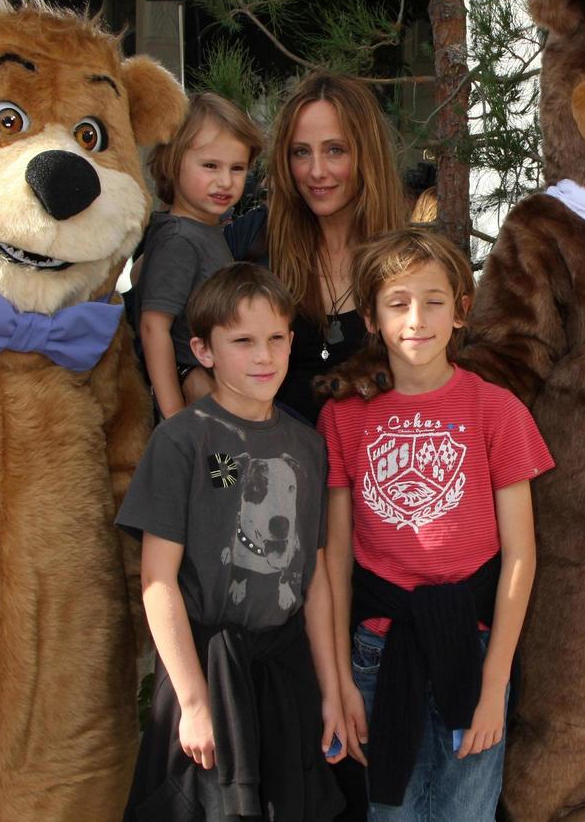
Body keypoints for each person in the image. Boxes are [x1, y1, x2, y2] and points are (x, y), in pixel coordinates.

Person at [317, 229, 554, 820]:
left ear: (461, 312)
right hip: (378, 646)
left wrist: (495, 681)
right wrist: (342, 680)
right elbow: (336, 556)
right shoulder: (344, 417)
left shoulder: (495, 411)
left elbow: (521, 553)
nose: (416, 318)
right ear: (371, 317)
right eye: (397, 303)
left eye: (434, 301)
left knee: (465, 812)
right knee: (390, 811)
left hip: (470, 646)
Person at [118, 263, 347, 821]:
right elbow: (157, 581)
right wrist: (194, 702)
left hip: (284, 671)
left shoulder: (306, 445)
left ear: (293, 342)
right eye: (242, 341)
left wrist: (330, 690)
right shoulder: (183, 441)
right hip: (207, 670)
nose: (263, 356)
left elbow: (312, 577)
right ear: (204, 350)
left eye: (275, 339)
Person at [227, 72, 407, 426]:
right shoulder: (252, 241)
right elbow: (163, 304)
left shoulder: (408, 262)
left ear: (366, 155)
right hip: (268, 469)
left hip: (371, 472)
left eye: (335, 150)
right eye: (301, 153)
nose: (316, 171)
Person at [137, 93, 264, 418]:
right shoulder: (179, 239)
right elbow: (153, 327)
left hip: (218, 390)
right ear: (172, 162)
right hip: (194, 401)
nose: (225, 181)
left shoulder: (205, 230)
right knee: (220, 471)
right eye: (210, 166)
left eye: (237, 168)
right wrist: (175, 418)